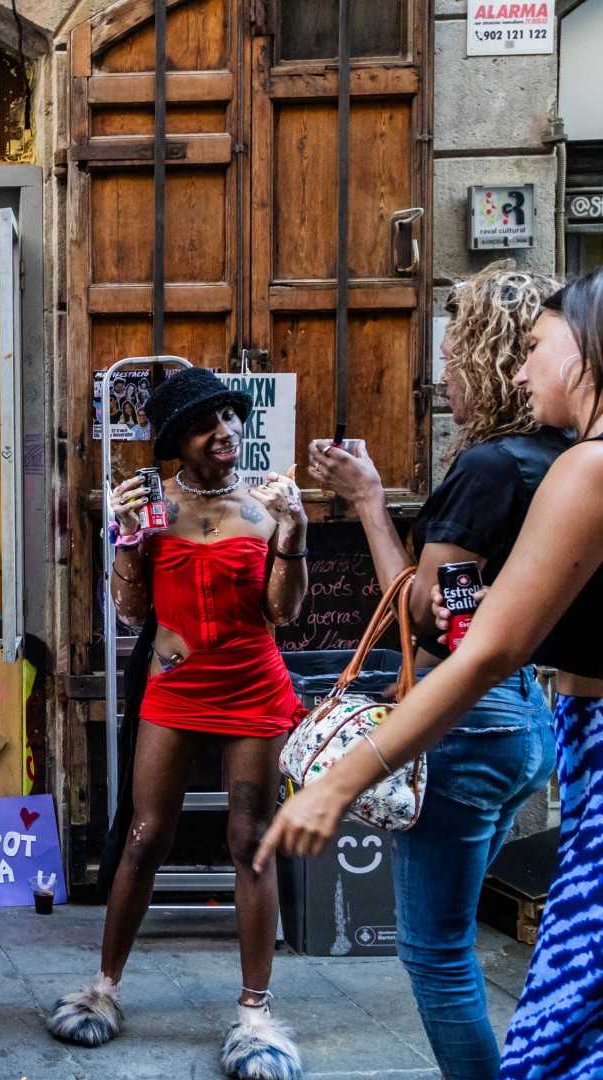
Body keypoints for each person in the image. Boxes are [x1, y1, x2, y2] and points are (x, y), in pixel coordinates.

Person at [258, 272, 603, 1080]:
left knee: (452, 962)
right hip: (540, 730)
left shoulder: (525, 468)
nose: (519, 368)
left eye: (534, 348)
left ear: (586, 349)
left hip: (492, 723)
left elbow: (451, 632)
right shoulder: (556, 461)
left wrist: (340, 779)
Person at [48, 368, 309, 1080]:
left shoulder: (264, 506)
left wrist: (294, 532)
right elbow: (133, 615)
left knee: (250, 839)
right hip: (174, 683)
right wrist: (127, 545)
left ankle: (255, 1014)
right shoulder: (153, 509)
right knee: (143, 834)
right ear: (175, 442)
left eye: (228, 417)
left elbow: (285, 613)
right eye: (205, 424)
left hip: (253, 685)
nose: (224, 432)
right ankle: (104, 990)